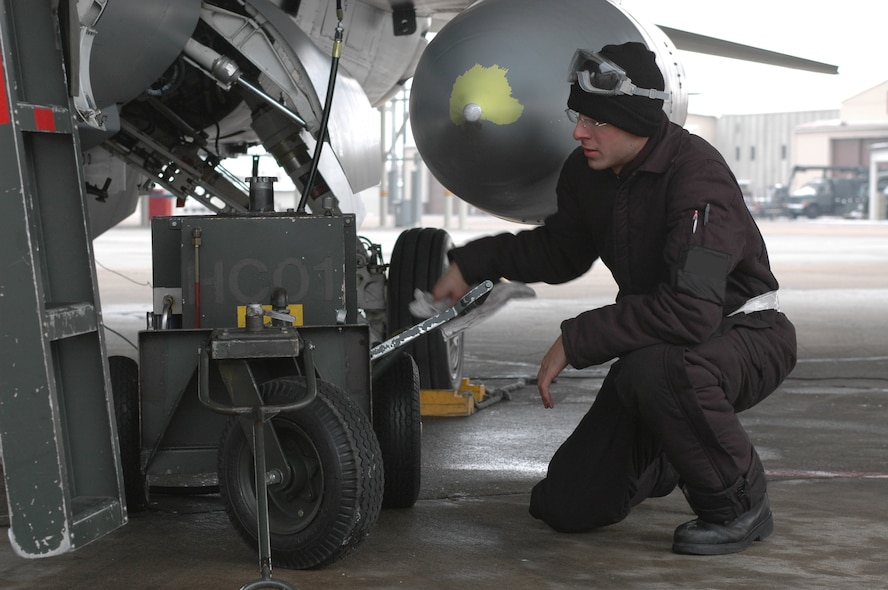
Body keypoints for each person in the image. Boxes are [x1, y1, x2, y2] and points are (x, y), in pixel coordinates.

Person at [432, 41, 797, 555]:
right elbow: (561, 252)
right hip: (659, 341)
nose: (581, 132)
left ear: (637, 119)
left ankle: (740, 505)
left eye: (597, 121)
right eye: (578, 117)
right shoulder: (589, 173)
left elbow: (693, 312)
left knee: (661, 371)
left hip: (743, 334)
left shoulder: (699, 180)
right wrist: (472, 263)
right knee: (565, 506)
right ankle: (674, 447)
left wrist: (575, 338)